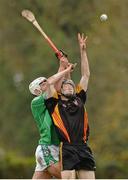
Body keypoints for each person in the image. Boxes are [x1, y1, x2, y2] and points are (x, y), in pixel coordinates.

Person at [45, 33, 96, 179]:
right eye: (66, 85)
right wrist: (65, 70)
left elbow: (86, 75)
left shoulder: (79, 98)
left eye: (71, 85)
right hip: (67, 147)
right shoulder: (54, 103)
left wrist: (83, 51)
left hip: (83, 147)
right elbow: (49, 82)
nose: (69, 86)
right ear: (61, 90)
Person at [29, 59, 74, 179]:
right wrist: (63, 68)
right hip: (47, 147)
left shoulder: (52, 98)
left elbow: (58, 86)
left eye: (46, 81)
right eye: (43, 84)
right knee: (68, 178)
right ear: (37, 90)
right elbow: (53, 84)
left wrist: (64, 68)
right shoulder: (36, 102)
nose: (47, 83)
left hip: (55, 146)